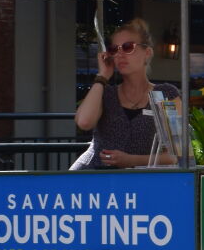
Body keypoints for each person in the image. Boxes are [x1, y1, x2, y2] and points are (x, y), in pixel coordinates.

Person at [71, 18, 181, 169]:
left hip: (136, 183)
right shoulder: (106, 92)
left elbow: (176, 154)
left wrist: (131, 160)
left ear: (147, 53)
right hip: (94, 175)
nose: (120, 54)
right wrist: (102, 77)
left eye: (128, 47)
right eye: (114, 49)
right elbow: (84, 122)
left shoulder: (164, 94)